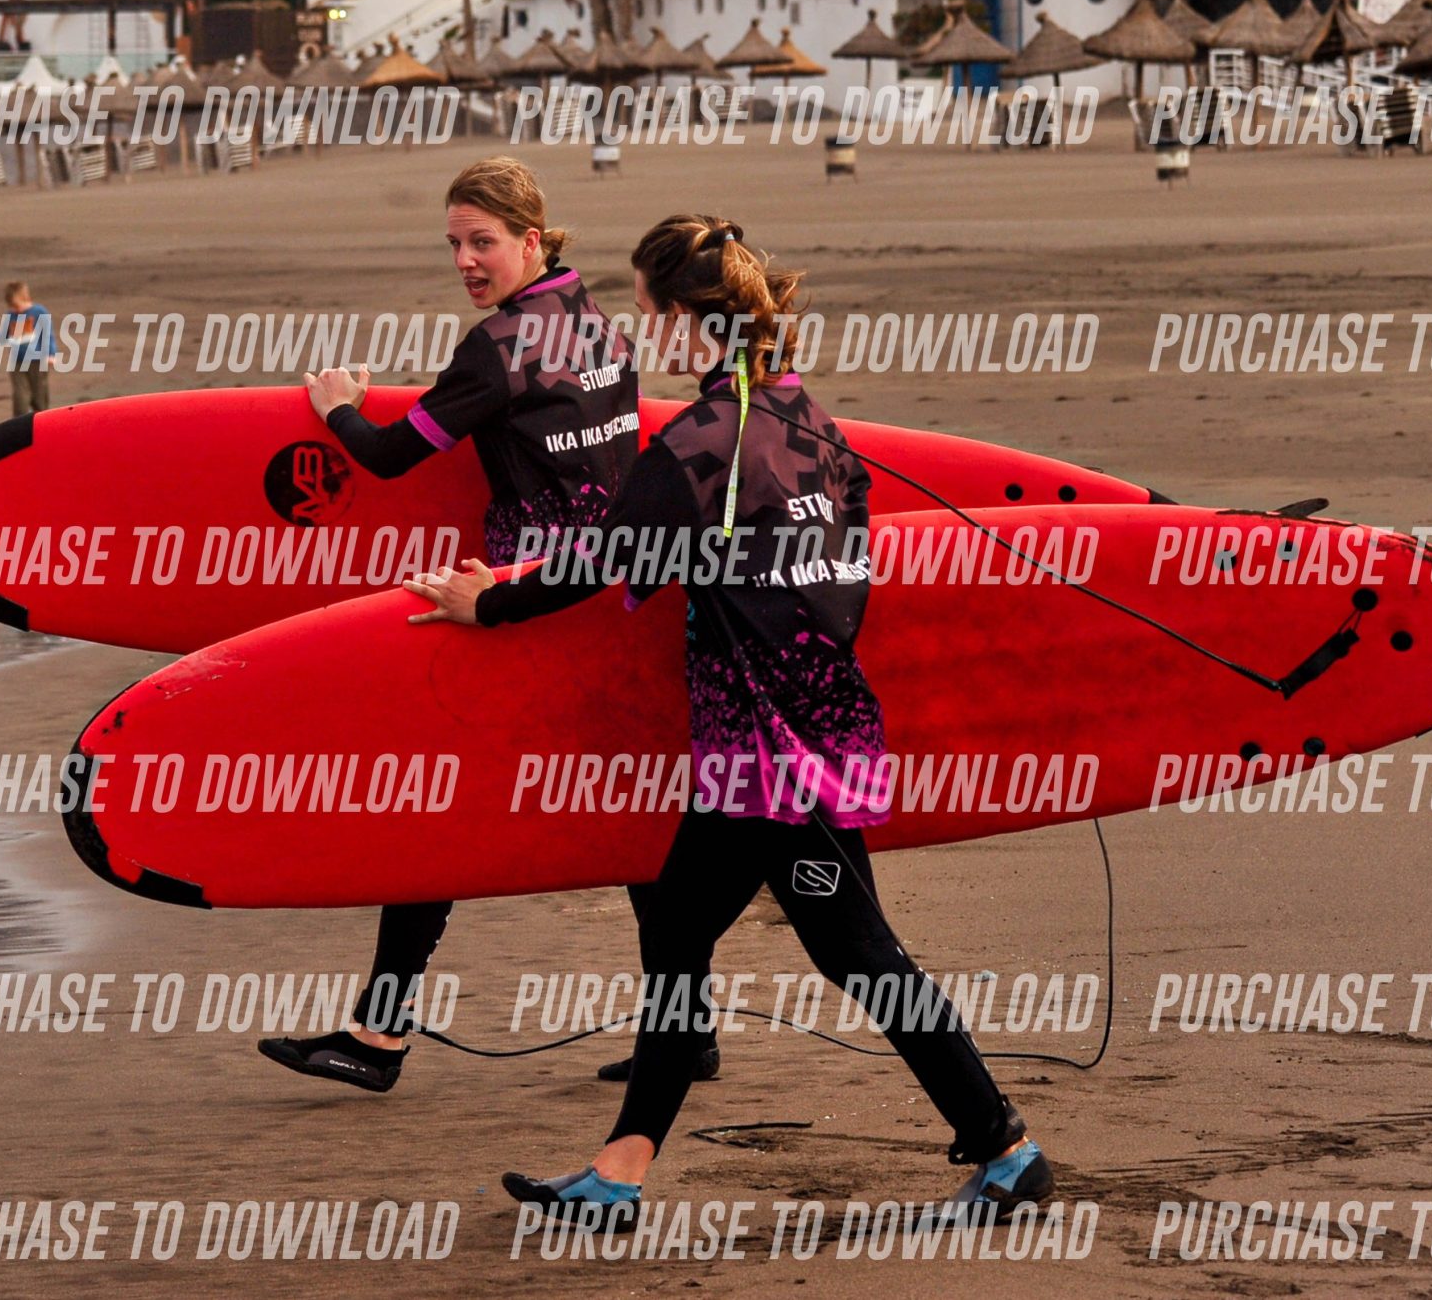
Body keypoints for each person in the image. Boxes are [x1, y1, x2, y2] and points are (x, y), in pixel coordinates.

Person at [402, 217, 1050, 1229]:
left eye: (649, 311)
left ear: (689, 320)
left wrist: (488, 604)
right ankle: (619, 1172)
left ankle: (1006, 1149)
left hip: (772, 757)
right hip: (803, 734)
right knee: (689, 939)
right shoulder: (811, 421)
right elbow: (840, 567)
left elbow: (603, 561)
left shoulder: (699, 442)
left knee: (849, 953)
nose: (643, 331)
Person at [258, 159, 663, 1094]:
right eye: (454, 243)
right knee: (635, 813)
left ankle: (377, 1036)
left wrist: (338, 407)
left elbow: (390, 456)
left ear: (532, 239)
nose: (466, 262)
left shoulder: (499, 346)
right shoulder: (600, 325)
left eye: (483, 242)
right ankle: (687, 1028)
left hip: (517, 608)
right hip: (608, 596)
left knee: (440, 807)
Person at [0, 282, 54, 416]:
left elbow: (48, 335)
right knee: (20, 397)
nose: (15, 310)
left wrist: (51, 354)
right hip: (17, 362)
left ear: (26, 298)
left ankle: (42, 422)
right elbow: (4, 339)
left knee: (40, 397)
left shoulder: (39, 312)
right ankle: (20, 423)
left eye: (17, 305)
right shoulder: (11, 316)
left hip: (37, 361)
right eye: (12, 307)